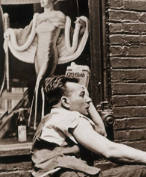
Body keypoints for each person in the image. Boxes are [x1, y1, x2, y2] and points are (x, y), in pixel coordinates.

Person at [4, 0, 89, 129]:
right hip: (38, 55)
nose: (42, 1)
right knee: (41, 85)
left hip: (50, 53)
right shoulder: (37, 17)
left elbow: (69, 36)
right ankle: (39, 121)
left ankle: (40, 121)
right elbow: (26, 33)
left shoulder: (60, 16)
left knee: (40, 83)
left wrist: (80, 26)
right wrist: (11, 33)